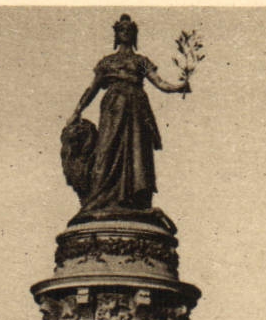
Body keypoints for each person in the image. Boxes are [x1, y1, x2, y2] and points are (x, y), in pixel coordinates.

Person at [64, 14, 192, 222]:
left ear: (134, 35)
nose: (125, 33)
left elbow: (160, 83)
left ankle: (133, 199)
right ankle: (102, 198)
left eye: (129, 30)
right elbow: (92, 89)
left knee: (137, 153)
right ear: (116, 34)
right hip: (113, 108)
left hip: (136, 109)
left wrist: (179, 87)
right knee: (106, 151)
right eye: (122, 30)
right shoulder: (106, 62)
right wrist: (77, 111)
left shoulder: (141, 62)